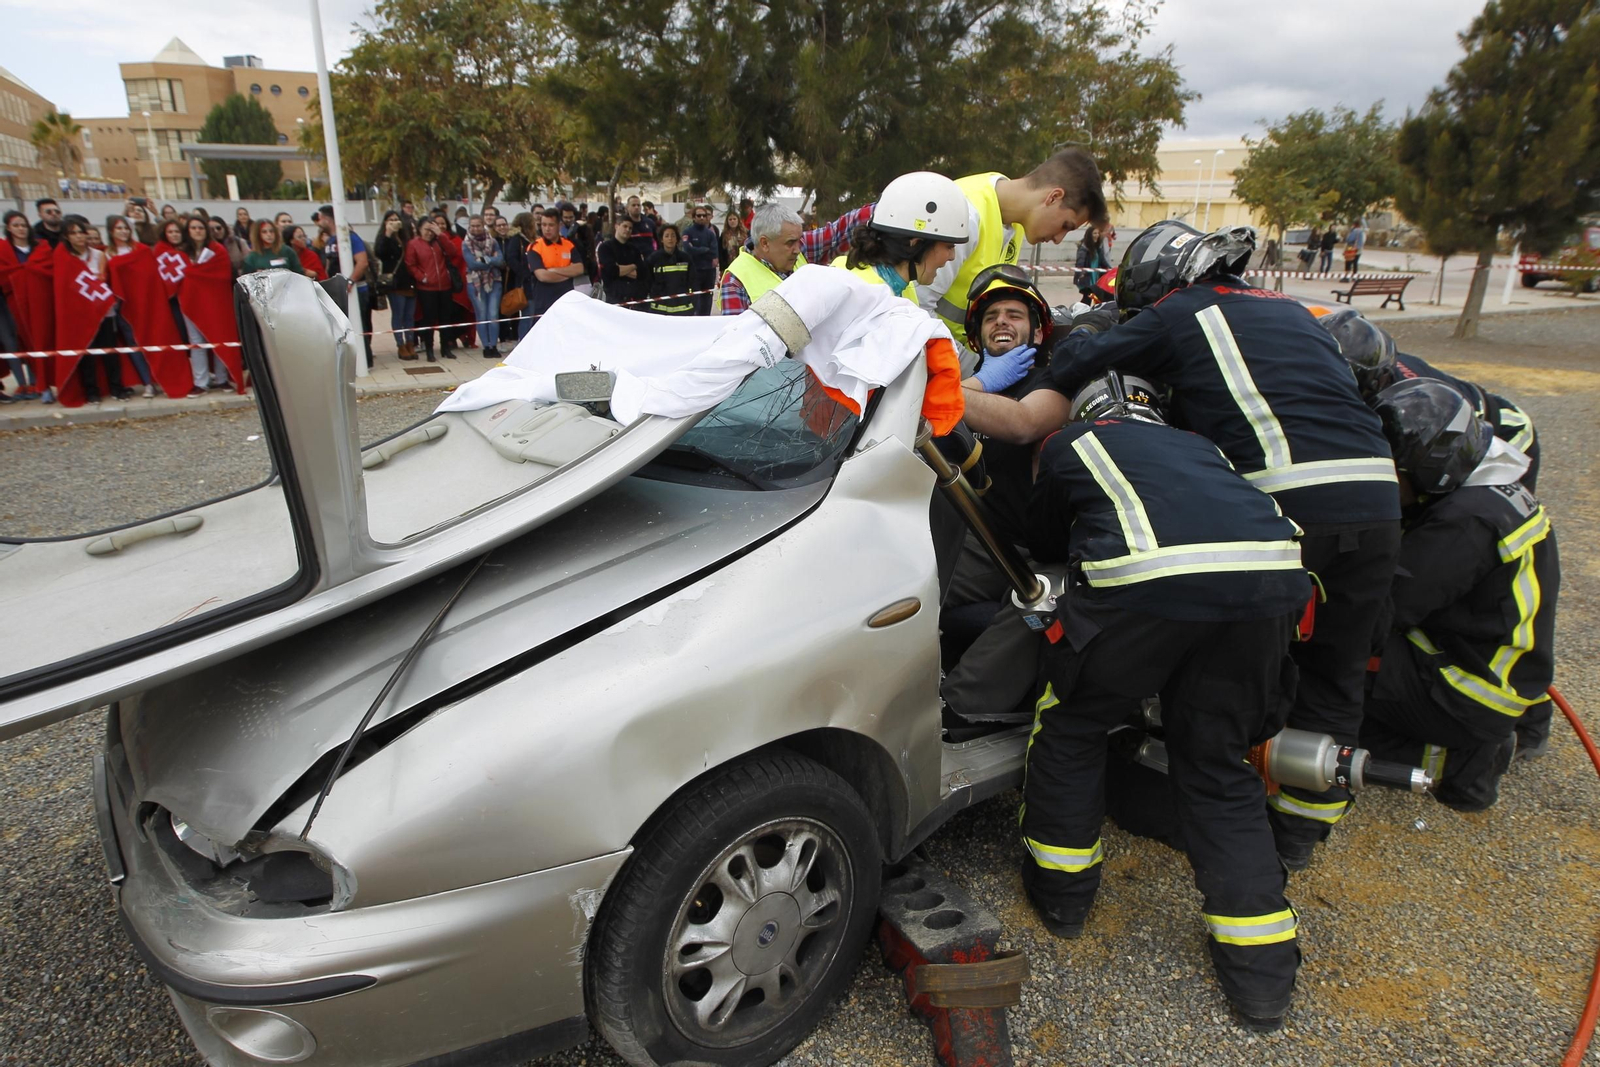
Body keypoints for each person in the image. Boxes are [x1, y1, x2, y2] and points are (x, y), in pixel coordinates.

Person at [961, 220, 1402, 871]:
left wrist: (1055, 368)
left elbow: (1092, 358)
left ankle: (1200, 789)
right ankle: (1296, 832)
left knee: (1217, 688)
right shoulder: (1294, 313)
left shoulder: (1179, 312)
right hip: (1378, 498)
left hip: (1287, 509)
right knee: (1334, 672)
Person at [1022, 369, 1308, 1031]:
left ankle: (1063, 896)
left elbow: (1039, 539)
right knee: (1215, 764)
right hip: (1265, 592)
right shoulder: (1203, 448)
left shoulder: (1074, 445)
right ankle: (1261, 980)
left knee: (1073, 723)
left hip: (1144, 588)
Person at [1360, 379, 1559, 810]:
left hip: (1468, 691)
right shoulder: (1490, 486)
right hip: (1484, 666)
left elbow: (1384, 608)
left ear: (1429, 466)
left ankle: (1460, 765)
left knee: (1333, 671)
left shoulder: (1464, 523)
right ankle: (1470, 754)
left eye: (1391, 472)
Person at [939, 265, 1057, 725]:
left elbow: (1023, 422)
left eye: (1014, 315)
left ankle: (959, 710)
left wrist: (977, 387)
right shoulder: (970, 379)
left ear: (1036, 331)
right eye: (991, 318)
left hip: (1036, 550)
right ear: (976, 335)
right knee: (901, 593)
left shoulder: (1052, 381)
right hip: (979, 537)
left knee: (1039, 607)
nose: (1002, 322)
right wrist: (981, 381)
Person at [918, 148, 1109, 350]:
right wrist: (974, 369)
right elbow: (917, 313)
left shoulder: (1014, 224)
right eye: (1066, 226)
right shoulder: (966, 215)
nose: (1059, 239)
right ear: (1053, 197)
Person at [715, 200, 874, 314]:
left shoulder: (797, 246)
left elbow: (840, 230)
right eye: (791, 242)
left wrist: (886, 208)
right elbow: (736, 345)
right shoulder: (734, 281)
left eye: (800, 239)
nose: (798, 249)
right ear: (764, 243)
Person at [58, 217, 131, 402]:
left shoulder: (99, 255)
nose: (78, 237)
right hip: (80, 315)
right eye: (73, 233)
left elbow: (103, 280)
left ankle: (116, 388)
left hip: (103, 311)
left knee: (109, 351)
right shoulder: (65, 259)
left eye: (80, 232)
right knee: (87, 355)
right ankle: (92, 392)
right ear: (67, 237)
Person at [177, 214, 235, 396]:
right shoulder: (181, 252)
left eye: (200, 228)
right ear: (188, 231)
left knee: (218, 338)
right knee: (196, 342)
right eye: (193, 228)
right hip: (190, 301)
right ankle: (200, 382)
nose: (197, 231)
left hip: (214, 301)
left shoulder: (217, 250)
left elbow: (223, 275)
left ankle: (222, 378)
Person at [104, 215, 158, 397]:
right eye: (119, 228)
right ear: (111, 231)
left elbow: (150, 276)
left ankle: (160, 377)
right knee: (133, 343)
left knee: (153, 341)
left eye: (126, 228)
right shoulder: (107, 254)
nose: (123, 231)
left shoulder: (141, 250)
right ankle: (147, 382)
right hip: (122, 307)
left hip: (143, 303)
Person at [317, 206, 373, 366]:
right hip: (336, 291)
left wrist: (349, 281)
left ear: (327, 219)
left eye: (320, 218)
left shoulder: (350, 237)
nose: (318, 222)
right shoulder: (331, 241)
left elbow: (362, 262)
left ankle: (364, 361)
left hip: (355, 291)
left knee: (358, 325)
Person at [0, 210, 42, 400]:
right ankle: (21, 384)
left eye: (23, 225)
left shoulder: (39, 248)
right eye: (16, 225)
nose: (21, 229)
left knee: (32, 340)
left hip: (33, 300)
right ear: (8, 228)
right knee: (11, 342)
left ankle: (35, 382)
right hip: (7, 301)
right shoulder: (3, 250)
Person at [403, 218, 455, 361]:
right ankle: (429, 350)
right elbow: (410, 264)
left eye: (431, 230)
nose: (429, 233)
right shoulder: (414, 244)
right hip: (426, 288)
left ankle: (446, 347)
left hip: (444, 285)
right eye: (426, 229)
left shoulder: (439, 241)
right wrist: (422, 277)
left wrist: (441, 235)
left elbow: (453, 252)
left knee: (446, 318)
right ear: (420, 229)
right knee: (429, 319)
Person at [527, 207, 585, 323]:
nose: (547, 229)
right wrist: (567, 273)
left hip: (567, 299)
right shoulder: (535, 247)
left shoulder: (569, 245)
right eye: (543, 225)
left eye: (551, 225)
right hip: (544, 301)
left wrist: (553, 270)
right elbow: (542, 276)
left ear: (559, 225)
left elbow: (579, 269)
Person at [373, 212, 416, 360]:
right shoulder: (384, 238)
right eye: (390, 220)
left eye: (396, 219)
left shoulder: (406, 238)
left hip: (409, 281)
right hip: (395, 283)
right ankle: (400, 345)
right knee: (398, 314)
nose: (394, 222)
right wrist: (388, 233)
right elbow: (380, 253)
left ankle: (410, 342)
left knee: (409, 315)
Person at [461, 214, 505, 359]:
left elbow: (500, 260)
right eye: (472, 226)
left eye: (478, 225)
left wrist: (485, 259)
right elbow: (472, 264)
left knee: (492, 314)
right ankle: (486, 346)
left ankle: (493, 345)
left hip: (494, 280)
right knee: (482, 314)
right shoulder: (466, 243)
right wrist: (490, 261)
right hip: (475, 283)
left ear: (483, 225)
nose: (475, 228)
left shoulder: (492, 241)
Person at [645, 223, 695, 315]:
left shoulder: (685, 258)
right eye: (667, 236)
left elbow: (693, 281)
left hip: (683, 309)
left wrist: (692, 301)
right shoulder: (653, 259)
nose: (670, 239)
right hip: (659, 310)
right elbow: (647, 281)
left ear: (677, 239)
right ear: (661, 239)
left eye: (673, 235)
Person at [597, 217, 649, 305]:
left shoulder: (634, 249)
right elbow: (612, 271)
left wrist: (620, 268)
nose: (628, 230)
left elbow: (641, 273)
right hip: (614, 296)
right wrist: (633, 266)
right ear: (616, 226)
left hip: (634, 297)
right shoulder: (605, 247)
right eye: (625, 226)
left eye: (630, 228)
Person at [680, 204, 720, 315]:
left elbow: (713, 252)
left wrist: (697, 250)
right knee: (695, 300)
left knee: (707, 299)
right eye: (698, 215)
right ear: (694, 217)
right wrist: (704, 250)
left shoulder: (710, 234)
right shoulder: (688, 232)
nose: (702, 218)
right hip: (694, 271)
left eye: (704, 215)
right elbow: (688, 249)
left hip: (708, 271)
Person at [241, 218, 305, 276]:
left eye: (271, 231)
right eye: (264, 232)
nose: (269, 234)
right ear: (258, 235)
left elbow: (299, 273)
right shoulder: (252, 257)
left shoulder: (287, 251)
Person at [1074, 225, 1111, 303]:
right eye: (1094, 233)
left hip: (1095, 277)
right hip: (1086, 277)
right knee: (1087, 298)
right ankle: (1080, 311)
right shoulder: (1084, 248)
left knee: (1092, 297)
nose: (1097, 235)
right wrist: (1081, 273)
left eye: (1098, 233)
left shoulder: (1098, 248)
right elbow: (1080, 262)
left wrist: (1110, 270)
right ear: (1089, 235)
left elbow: (1103, 261)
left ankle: (1086, 311)